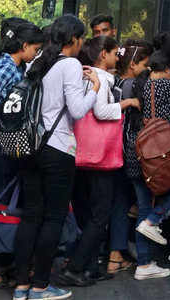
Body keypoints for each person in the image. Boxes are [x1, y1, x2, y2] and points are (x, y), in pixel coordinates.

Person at [12, 14, 99, 300]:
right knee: (53, 217)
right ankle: (40, 287)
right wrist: (95, 89)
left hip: (30, 148)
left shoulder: (38, 63)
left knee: (31, 216)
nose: (83, 43)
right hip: (57, 148)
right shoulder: (70, 64)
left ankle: (21, 285)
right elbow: (76, 110)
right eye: (82, 38)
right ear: (73, 39)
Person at [57, 36, 140, 286]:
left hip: (78, 151)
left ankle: (90, 267)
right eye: (115, 53)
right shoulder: (102, 78)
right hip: (99, 155)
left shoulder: (82, 73)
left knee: (85, 211)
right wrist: (126, 103)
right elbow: (102, 111)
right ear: (103, 54)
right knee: (101, 214)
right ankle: (76, 266)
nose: (118, 58)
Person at [0, 19, 44, 289]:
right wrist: (12, 108)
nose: (36, 54)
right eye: (35, 49)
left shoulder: (10, 63)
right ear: (24, 46)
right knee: (0, 205)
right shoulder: (6, 65)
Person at [124, 50, 170, 280]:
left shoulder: (140, 84)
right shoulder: (164, 86)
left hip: (137, 153)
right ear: (166, 70)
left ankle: (143, 264)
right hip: (158, 155)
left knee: (143, 206)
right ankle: (155, 219)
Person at [107, 39, 153, 274]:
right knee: (130, 203)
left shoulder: (115, 81)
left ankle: (115, 253)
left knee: (120, 202)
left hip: (112, 150)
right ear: (134, 63)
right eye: (146, 63)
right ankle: (119, 254)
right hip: (127, 152)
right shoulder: (134, 86)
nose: (149, 68)